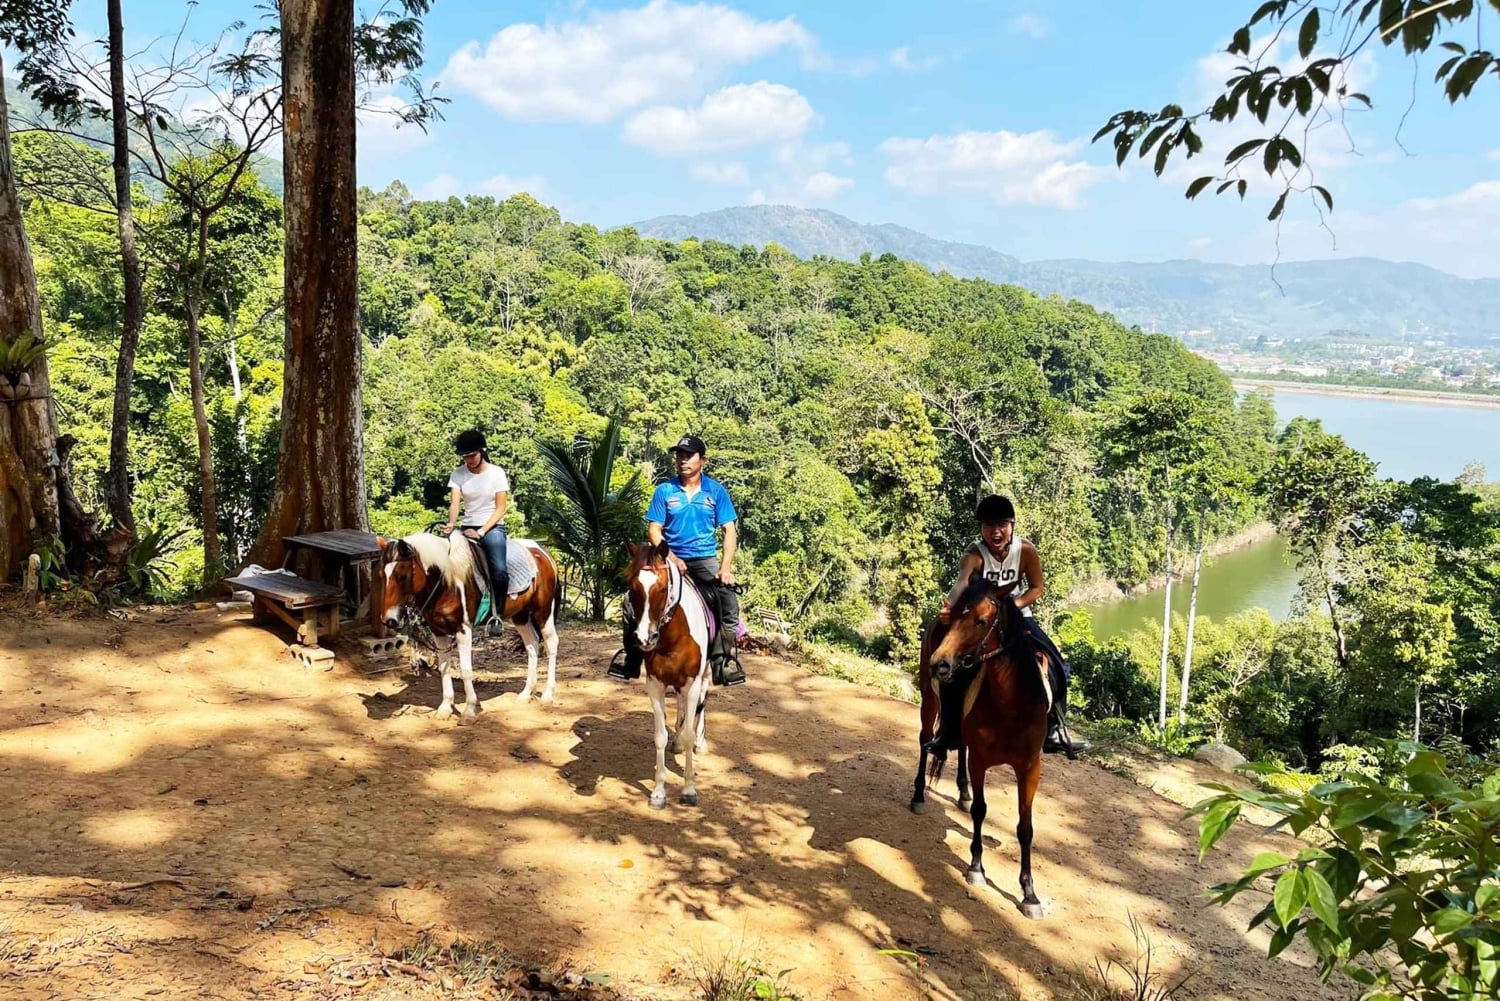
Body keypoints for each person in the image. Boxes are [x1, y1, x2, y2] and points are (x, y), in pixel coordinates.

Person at [936, 494, 1089, 757]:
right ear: (981, 528)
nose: (996, 531)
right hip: (979, 619)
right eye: (989, 525)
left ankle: (1054, 729)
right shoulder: (974, 554)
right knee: (952, 669)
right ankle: (947, 731)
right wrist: (950, 605)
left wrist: (1012, 607)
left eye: (1002, 524)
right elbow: (961, 583)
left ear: (1012, 525)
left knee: (1055, 663)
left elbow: (1037, 587)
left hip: (1017, 613)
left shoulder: (1026, 551)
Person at [609, 433, 745, 686]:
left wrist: (725, 568)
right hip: (667, 558)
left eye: (688, 455)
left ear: (702, 460)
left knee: (728, 601)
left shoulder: (716, 492)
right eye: (679, 455)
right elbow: (654, 530)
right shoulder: (665, 490)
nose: (682, 460)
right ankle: (631, 658)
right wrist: (671, 556)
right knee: (631, 599)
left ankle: (723, 661)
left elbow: (729, 531)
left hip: (704, 558)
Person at [441, 430, 511, 627]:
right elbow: (455, 504)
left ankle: (498, 614)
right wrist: (451, 524)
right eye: (464, 456)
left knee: (498, 570)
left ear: (482, 452)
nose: (468, 460)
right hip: (467, 525)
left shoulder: (496, 473)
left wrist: (481, 532)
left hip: (492, 527)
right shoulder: (458, 474)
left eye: (472, 455)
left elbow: (501, 508)